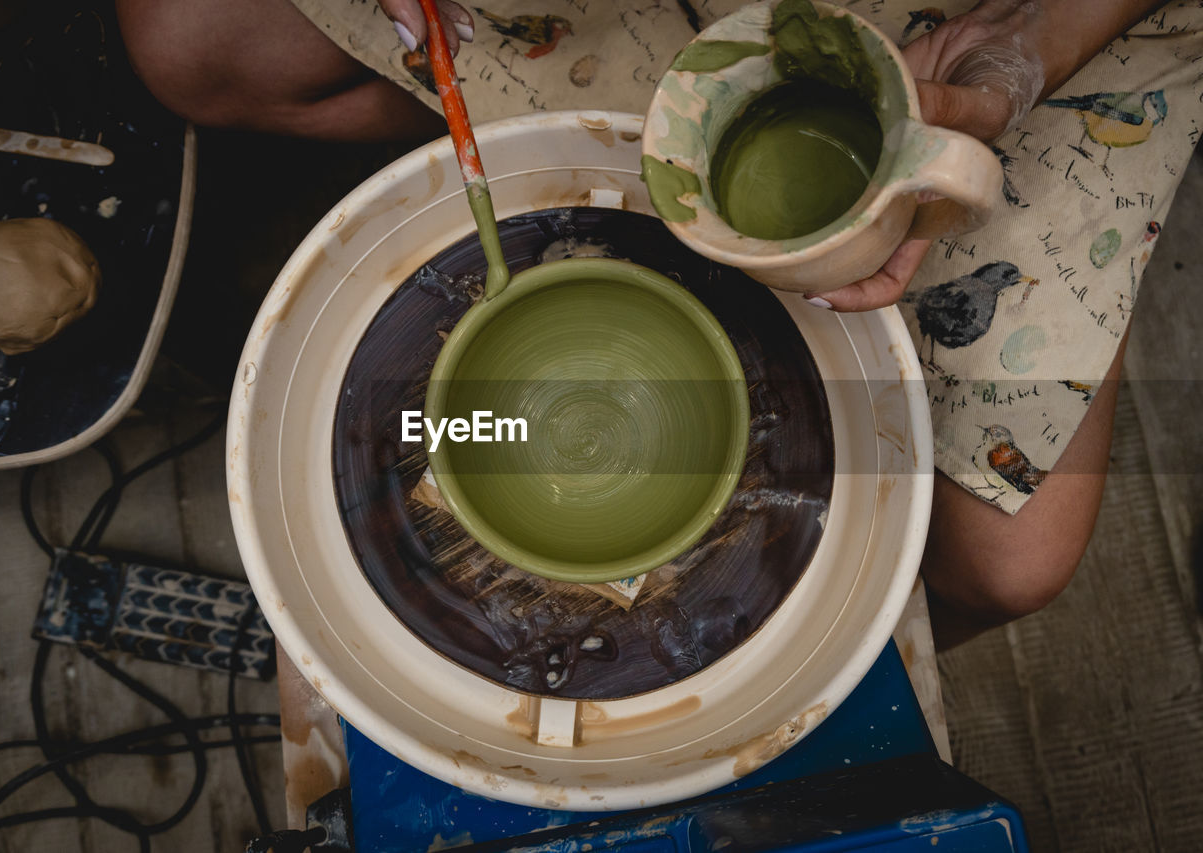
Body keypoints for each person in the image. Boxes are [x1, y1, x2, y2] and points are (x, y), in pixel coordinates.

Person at [116, 0, 1202, 648]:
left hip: (1006, 37)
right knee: (192, 43)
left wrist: (1023, 51)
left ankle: (810, 651)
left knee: (1006, 565)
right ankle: (523, 135)